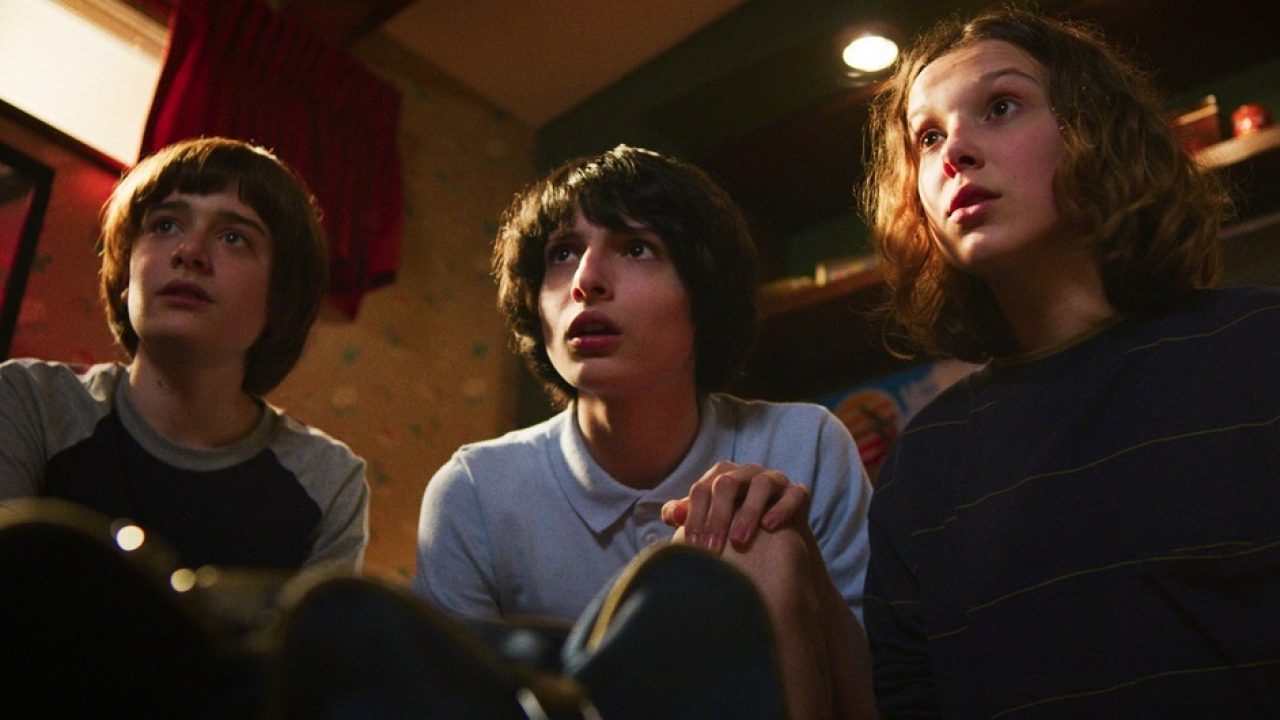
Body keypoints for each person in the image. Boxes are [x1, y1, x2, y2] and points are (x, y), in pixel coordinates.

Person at [858, 5, 1280, 717]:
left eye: (1000, 106)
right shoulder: (922, 470)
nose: (954, 150)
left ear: (1094, 131)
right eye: (927, 136)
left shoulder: (1261, 346)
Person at [414, 144, 876, 718]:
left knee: (757, 534)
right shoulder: (476, 491)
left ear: (703, 294)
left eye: (636, 248)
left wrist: (797, 555)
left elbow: (872, 702)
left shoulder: (805, 444)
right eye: (562, 253)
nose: (586, 280)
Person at [0, 136, 369, 572]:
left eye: (233, 237)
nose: (190, 252)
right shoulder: (32, 403)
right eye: (165, 226)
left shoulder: (327, 480)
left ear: (280, 299)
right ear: (126, 275)